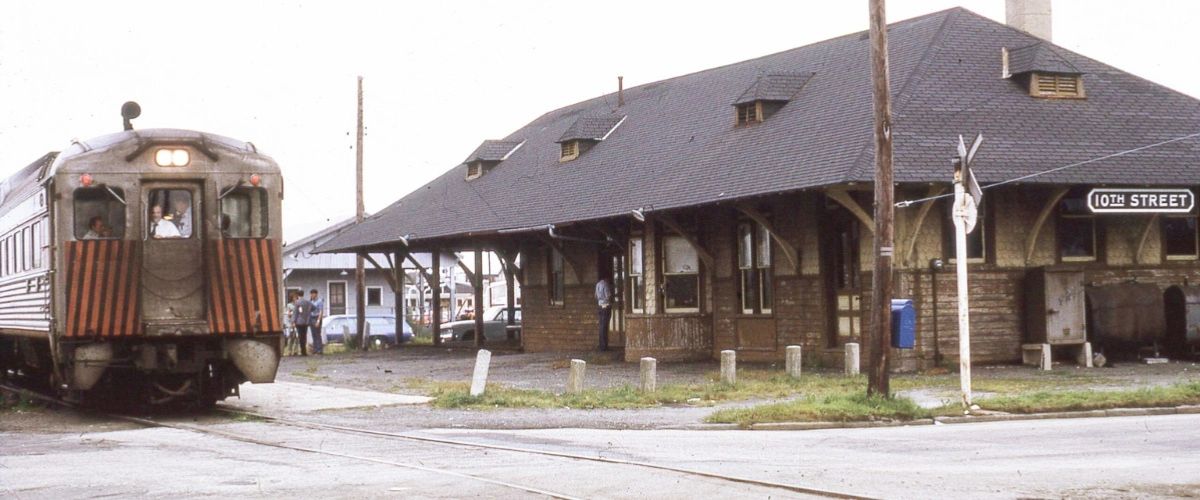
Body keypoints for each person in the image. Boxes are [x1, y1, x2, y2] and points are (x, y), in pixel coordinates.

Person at [595, 276, 612, 351]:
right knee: (605, 326)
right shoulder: (605, 284)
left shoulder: (597, 284)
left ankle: (601, 345)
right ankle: (604, 346)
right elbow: (608, 296)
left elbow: (596, 296)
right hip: (605, 306)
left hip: (600, 306)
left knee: (601, 326)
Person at [308, 289, 325, 354]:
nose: (311, 295)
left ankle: (319, 349)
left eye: (313, 294)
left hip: (317, 317)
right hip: (311, 318)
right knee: (313, 334)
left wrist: (318, 320)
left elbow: (321, 311)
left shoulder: (319, 301)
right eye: (311, 294)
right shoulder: (311, 301)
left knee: (318, 334)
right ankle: (315, 349)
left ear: (316, 294)